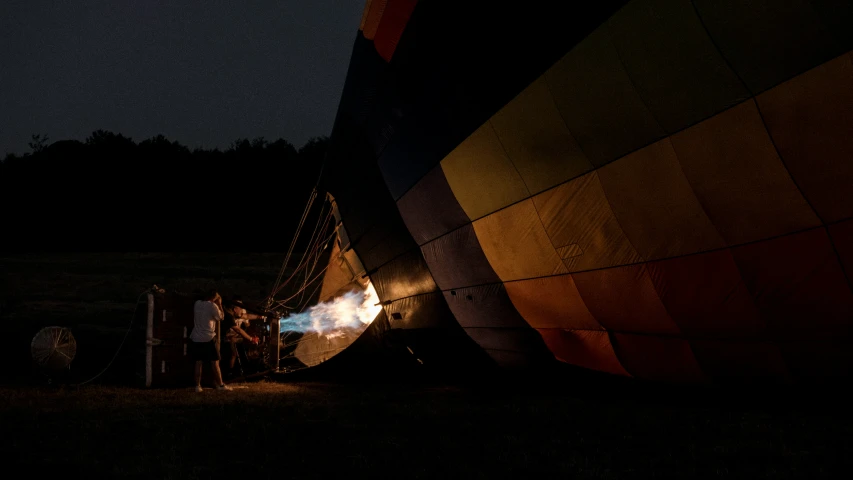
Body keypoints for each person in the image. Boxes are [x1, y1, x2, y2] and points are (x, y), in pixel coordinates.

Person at [189, 289, 231, 392]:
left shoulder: (197, 304)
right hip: (209, 337)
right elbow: (220, 317)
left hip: (196, 337)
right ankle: (220, 384)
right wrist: (220, 304)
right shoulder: (213, 306)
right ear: (214, 298)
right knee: (215, 362)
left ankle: (198, 386)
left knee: (198, 363)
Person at [223, 297, 265, 377]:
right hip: (226, 338)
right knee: (233, 354)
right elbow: (238, 330)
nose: (242, 310)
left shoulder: (234, 314)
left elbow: (246, 316)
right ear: (235, 309)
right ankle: (230, 373)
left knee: (243, 345)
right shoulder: (229, 316)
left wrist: (259, 316)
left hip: (232, 337)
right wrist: (251, 339)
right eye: (240, 308)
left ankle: (247, 367)